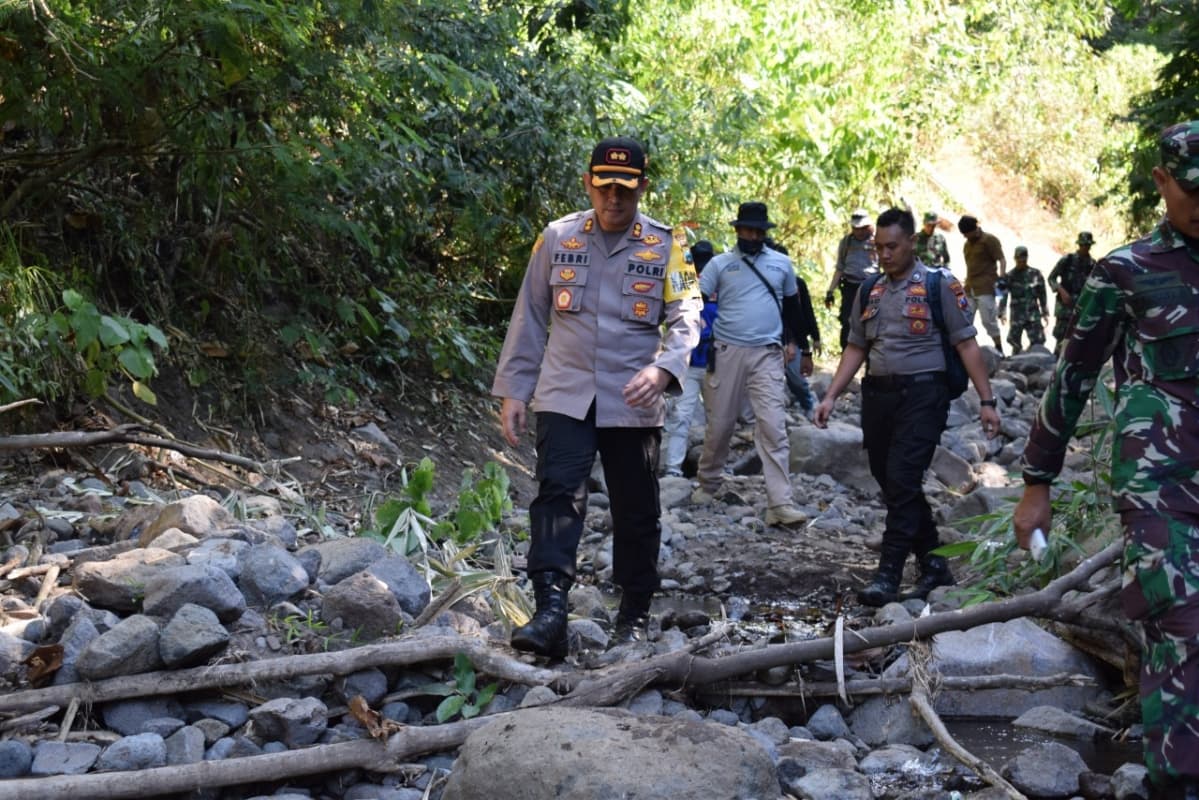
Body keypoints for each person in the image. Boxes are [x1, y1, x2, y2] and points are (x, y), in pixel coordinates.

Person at [1013, 121, 1199, 800]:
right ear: (1160, 182)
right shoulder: (1125, 272)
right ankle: (1178, 784)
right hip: (1159, 487)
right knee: (1180, 625)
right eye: (1191, 189)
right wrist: (1036, 484)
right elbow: (1070, 378)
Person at [492, 136, 702, 656]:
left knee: (636, 509)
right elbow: (530, 316)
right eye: (604, 187)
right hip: (564, 394)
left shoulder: (667, 245)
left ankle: (633, 611)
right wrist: (515, 390)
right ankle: (550, 610)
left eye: (625, 190)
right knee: (557, 496)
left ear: (642, 189)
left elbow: (688, 319)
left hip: (633, 401)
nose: (613, 199)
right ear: (587, 183)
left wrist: (663, 370)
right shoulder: (557, 237)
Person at [814, 207, 1000, 606]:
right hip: (878, 396)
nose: (884, 254)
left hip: (924, 394)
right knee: (891, 479)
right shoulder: (869, 290)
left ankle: (889, 573)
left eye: (892, 246)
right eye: (879, 247)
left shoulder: (939, 285)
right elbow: (855, 347)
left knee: (901, 475)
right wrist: (831, 395)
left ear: (912, 242)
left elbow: (966, 343)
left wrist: (987, 401)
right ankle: (934, 562)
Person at [694, 202, 809, 527]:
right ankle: (708, 482)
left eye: (758, 231)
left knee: (773, 425)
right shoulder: (719, 265)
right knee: (720, 425)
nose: (753, 236)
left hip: (767, 354)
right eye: (747, 230)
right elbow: (695, 300)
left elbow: (791, 307)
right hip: (727, 351)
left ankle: (779, 503)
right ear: (737, 230)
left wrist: (794, 343)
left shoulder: (782, 264)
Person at [662, 240, 719, 477]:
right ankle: (674, 468)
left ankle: (713, 470)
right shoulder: (681, 282)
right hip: (690, 361)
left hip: (715, 363)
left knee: (717, 420)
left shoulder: (722, 281)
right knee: (681, 416)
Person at [766, 237, 821, 416]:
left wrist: (814, 338)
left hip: (794, 339)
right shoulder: (763, 285)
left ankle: (809, 406)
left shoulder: (798, 284)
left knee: (797, 378)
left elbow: (804, 313)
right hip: (768, 340)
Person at [825, 209, 877, 350]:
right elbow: (840, 267)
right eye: (856, 228)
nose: (859, 232)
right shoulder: (846, 242)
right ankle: (846, 354)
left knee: (870, 321)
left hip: (871, 287)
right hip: (849, 287)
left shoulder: (876, 241)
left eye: (862, 228)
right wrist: (830, 291)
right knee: (847, 321)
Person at [957, 215, 1008, 355]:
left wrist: (1002, 278)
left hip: (986, 287)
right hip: (969, 287)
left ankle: (999, 349)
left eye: (967, 233)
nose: (965, 236)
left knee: (988, 321)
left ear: (974, 229)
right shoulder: (967, 244)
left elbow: (1001, 260)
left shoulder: (989, 240)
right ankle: (967, 351)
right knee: (964, 320)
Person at [1047, 231, 1096, 356]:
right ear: (1079, 245)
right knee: (1061, 338)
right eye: (1083, 245)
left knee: (1079, 339)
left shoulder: (1092, 264)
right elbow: (1051, 278)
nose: (1085, 247)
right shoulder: (1067, 260)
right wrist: (1061, 291)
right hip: (1065, 306)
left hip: (1082, 306)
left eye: (1088, 245)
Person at [998, 245, 1049, 355]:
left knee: (1038, 342)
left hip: (1033, 313)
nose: (1021, 261)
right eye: (1019, 259)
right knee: (1015, 342)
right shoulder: (1010, 276)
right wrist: (1002, 313)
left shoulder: (1036, 274)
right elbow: (1003, 296)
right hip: (1017, 314)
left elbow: (1042, 295)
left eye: (1023, 259)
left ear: (1027, 258)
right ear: (1015, 259)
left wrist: (1045, 312)